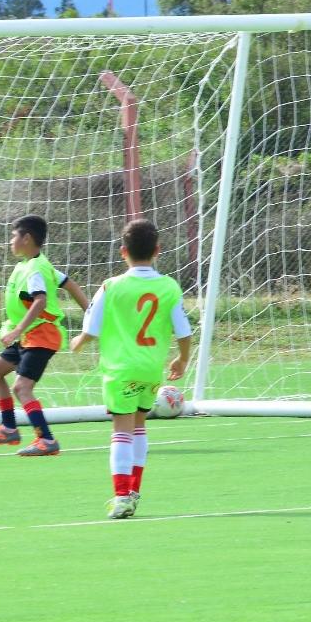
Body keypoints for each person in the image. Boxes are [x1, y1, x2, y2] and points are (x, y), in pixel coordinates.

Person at [71, 219, 192, 519]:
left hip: (120, 369)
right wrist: (182, 359)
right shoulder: (169, 287)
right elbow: (184, 331)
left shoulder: (111, 287)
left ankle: (122, 495)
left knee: (121, 431)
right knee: (139, 426)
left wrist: (80, 340)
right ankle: (133, 489)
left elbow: (92, 325)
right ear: (158, 250)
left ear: (122, 252)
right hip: (151, 369)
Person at [0, 215, 89, 456]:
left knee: (22, 388)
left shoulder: (36, 269)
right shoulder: (33, 264)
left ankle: (46, 440)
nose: (11, 241)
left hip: (41, 335)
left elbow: (40, 301)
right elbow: (70, 284)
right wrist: (90, 312)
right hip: (28, 335)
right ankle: (9, 428)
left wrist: (17, 329)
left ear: (26, 238)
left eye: (13, 236)